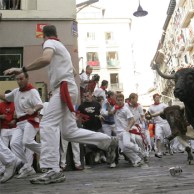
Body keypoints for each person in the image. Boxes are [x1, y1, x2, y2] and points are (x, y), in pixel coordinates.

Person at [4, 25, 118, 184]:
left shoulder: (49, 43)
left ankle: (52, 169)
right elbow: (74, 72)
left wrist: (21, 69)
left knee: (47, 125)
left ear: (44, 36)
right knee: (69, 132)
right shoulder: (62, 47)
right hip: (67, 87)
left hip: (63, 88)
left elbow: (46, 59)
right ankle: (107, 141)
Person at [0, 72, 43, 179]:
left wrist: (33, 109)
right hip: (20, 123)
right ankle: (27, 167)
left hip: (31, 120)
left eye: (21, 79)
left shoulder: (33, 91)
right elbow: (5, 97)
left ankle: (47, 151)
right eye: (17, 79)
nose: (19, 81)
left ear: (27, 78)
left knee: (27, 142)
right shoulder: (16, 92)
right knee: (14, 144)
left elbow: (40, 104)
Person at [114, 93, 144, 167]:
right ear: (116, 101)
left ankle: (138, 149)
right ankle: (137, 160)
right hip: (118, 132)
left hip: (125, 131)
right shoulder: (115, 108)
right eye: (118, 100)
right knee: (124, 149)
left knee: (126, 144)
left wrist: (128, 127)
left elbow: (133, 119)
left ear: (123, 101)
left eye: (121, 100)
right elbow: (110, 113)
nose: (120, 101)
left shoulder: (125, 109)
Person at [125, 93, 149, 163]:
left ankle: (144, 154)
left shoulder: (139, 106)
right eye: (136, 98)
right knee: (131, 140)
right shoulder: (126, 106)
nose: (137, 100)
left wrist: (145, 122)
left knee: (139, 139)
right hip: (128, 126)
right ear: (131, 99)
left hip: (136, 125)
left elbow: (142, 117)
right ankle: (134, 157)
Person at [148, 93, 172, 158]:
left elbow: (169, 111)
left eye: (158, 97)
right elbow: (148, 114)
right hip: (158, 124)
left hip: (165, 122)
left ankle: (169, 149)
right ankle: (159, 152)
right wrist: (148, 117)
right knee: (158, 137)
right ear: (154, 99)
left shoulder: (164, 105)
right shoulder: (151, 107)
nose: (157, 99)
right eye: (156, 97)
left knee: (169, 137)